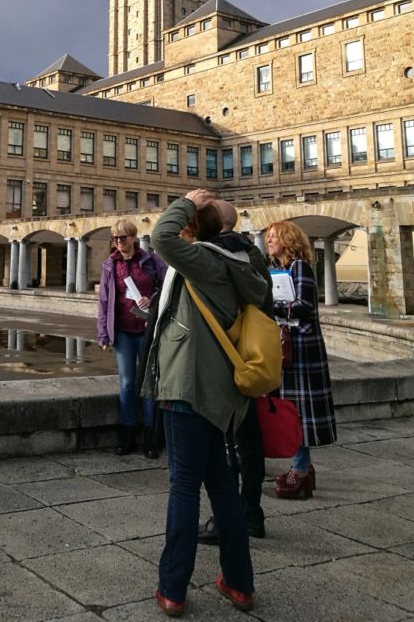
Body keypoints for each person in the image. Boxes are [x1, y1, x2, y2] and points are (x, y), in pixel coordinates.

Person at [143, 191, 268, 617]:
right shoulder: (242, 262)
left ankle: (172, 588)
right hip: (221, 395)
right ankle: (238, 583)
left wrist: (184, 201)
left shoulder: (205, 262)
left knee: (183, 486)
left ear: (195, 228)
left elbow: (160, 237)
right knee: (223, 489)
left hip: (189, 387)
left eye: (190, 221)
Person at [198, 200, 273, 543]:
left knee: (228, 444)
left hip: (229, 355)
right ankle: (251, 513)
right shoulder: (252, 252)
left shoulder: (217, 253)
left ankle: (229, 518)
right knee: (250, 440)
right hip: (255, 355)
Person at [266, 220, 336, 499]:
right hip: (293, 347)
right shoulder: (283, 268)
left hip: (301, 350)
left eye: (273, 236)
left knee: (298, 411)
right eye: (268, 237)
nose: (269, 241)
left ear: (287, 239)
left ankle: (301, 469)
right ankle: (302, 466)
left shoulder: (299, 267)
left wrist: (268, 303)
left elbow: (304, 306)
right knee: (294, 409)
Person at [97, 218, 166, 457]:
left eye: (123, 238)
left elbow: (168, 285)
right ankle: (128, 432)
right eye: (115, 238)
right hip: (123, 331)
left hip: (147, 329)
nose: (118, 242)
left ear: (134, 237)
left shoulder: (150, 259)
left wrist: (153, 299)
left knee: (148, 382)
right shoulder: (110, 264)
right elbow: (104, 300)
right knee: (127, 383)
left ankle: (150, 435)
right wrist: (103, 333)